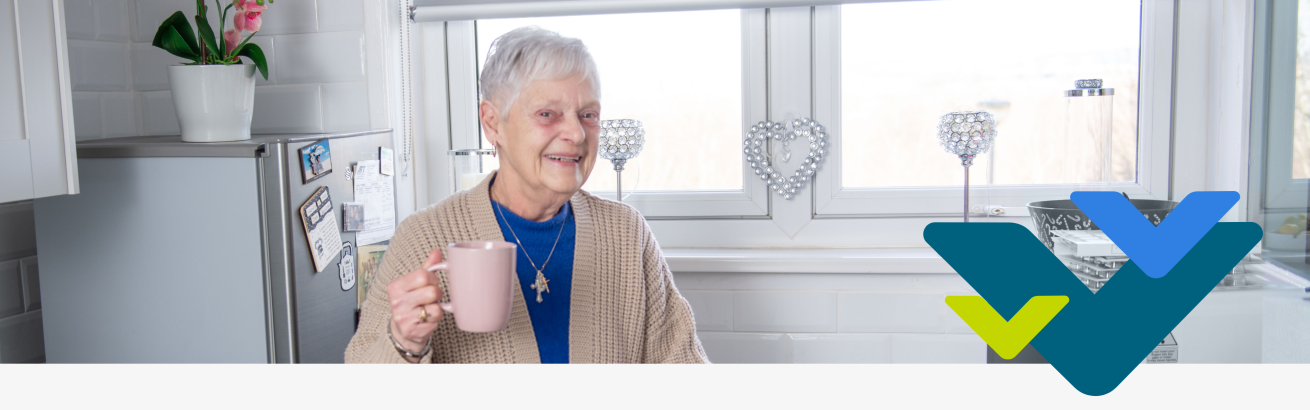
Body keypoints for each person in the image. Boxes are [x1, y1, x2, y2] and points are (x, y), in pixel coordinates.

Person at [345, 26, 708, 363]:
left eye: (588, 114)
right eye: (548, 114)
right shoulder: (424, 238)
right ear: (492, 123)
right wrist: (404, 344)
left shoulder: (626, 234)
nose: (577, 134)